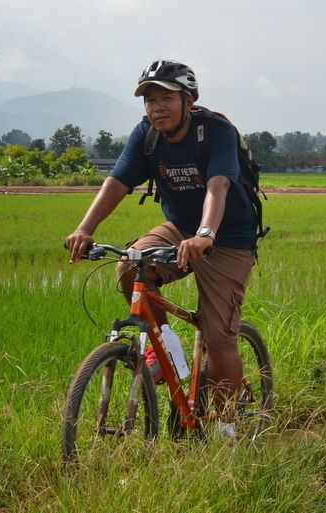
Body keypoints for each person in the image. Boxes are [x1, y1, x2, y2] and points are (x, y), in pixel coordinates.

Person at [65, 59, 257, 439]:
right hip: (178, 228)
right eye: (150, 99)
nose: (157, 107)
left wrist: (204, 234)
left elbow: (217, 186)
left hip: (228, 237)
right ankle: (165, 352)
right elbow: (117, 183)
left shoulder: (215, 131)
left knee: (219, 337)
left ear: (189, 100)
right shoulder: (146, 135)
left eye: (167, 97)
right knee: (129, 266)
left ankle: (228, 428)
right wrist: (85, 228)